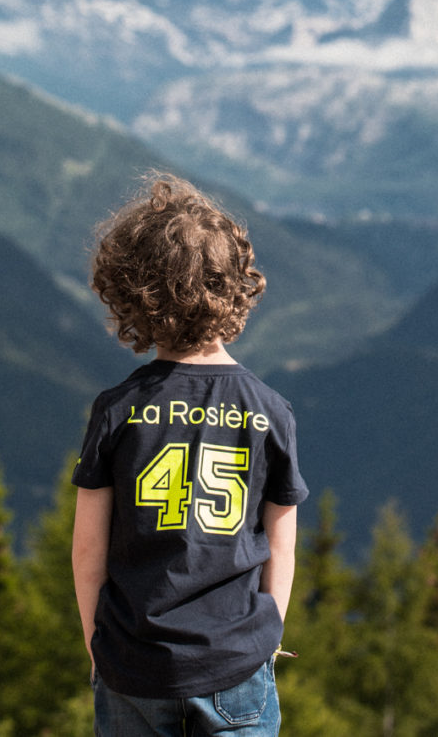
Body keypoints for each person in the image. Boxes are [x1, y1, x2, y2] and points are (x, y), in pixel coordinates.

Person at [71, 173, 308, 736]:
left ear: (132, 292)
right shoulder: (269, 410)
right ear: (235, 286)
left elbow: (87, 551)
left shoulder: (118, 409)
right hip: (235, 664)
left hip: (134, 668)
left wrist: (99, 648)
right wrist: (266, 636)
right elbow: (281, 541)